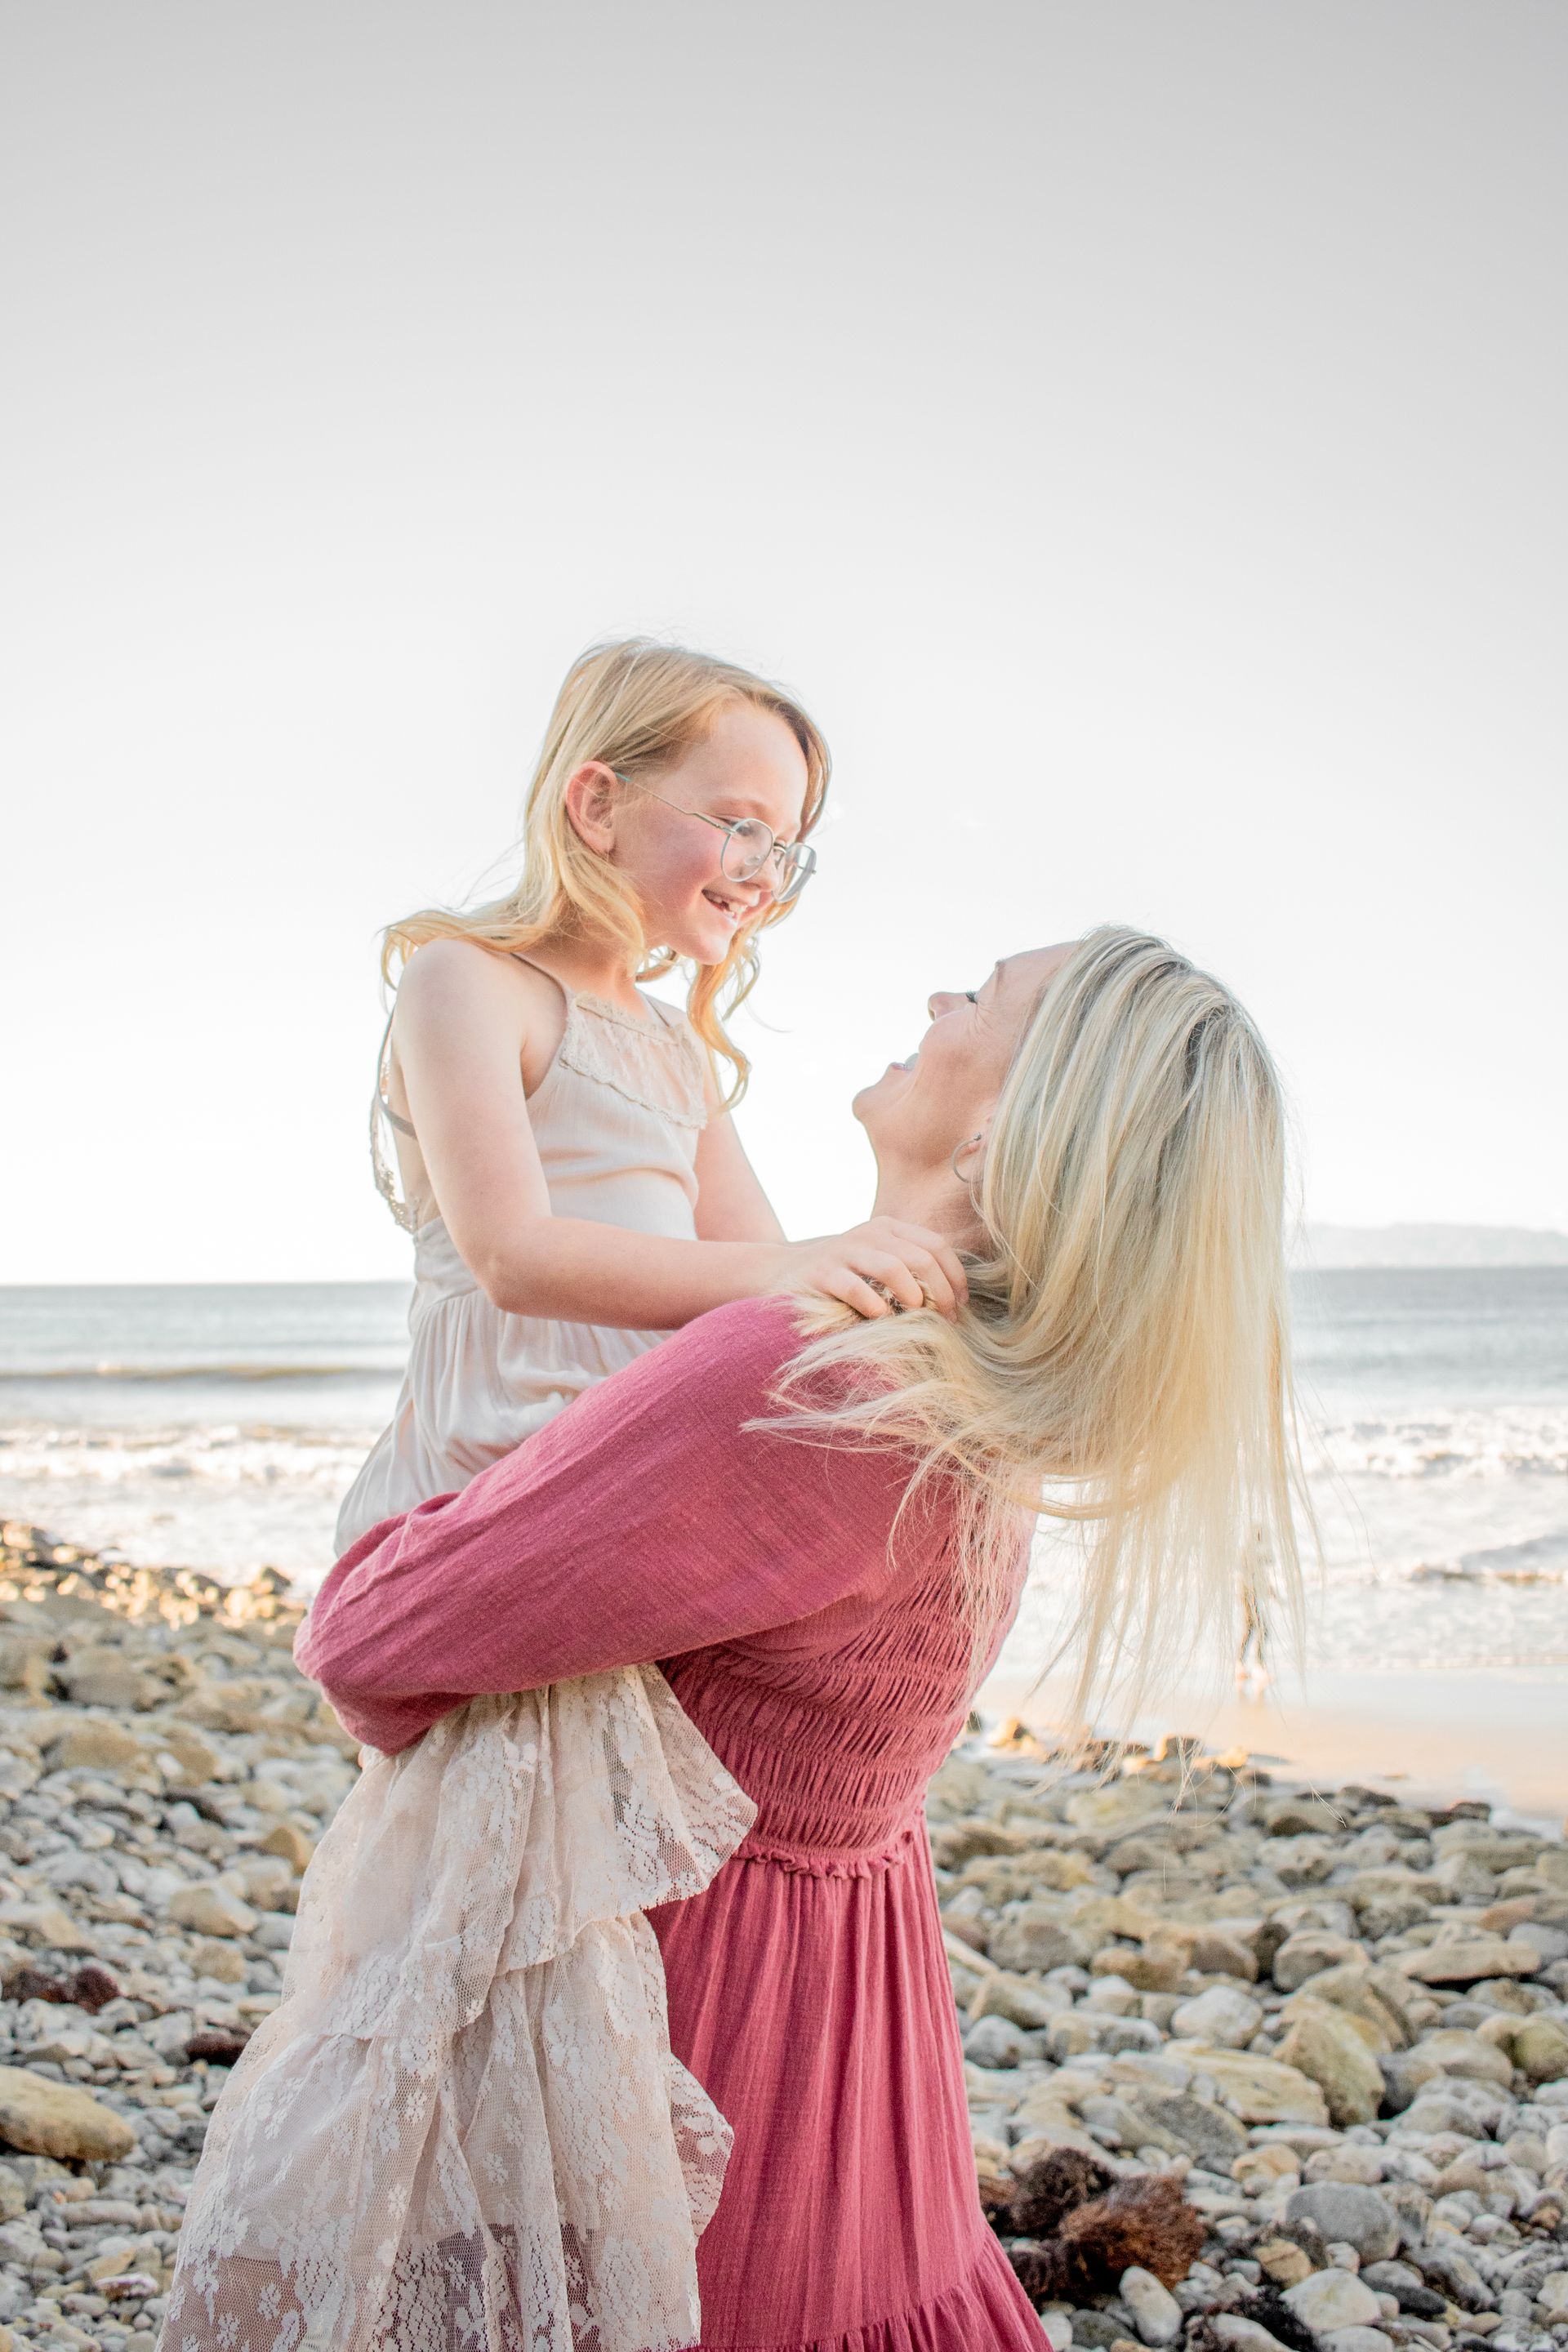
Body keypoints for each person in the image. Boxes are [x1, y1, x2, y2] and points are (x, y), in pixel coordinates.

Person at [291, 926, 1307, 2352]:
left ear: (1010, 1122)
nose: (940, 991)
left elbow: (369, 1638)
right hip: (844, 2043)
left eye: (986, 994)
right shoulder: (971, 1406)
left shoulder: (809, 1372)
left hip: (692, 2049)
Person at [161, 639, 968, 2352]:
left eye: (791, 846)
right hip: (487, 1507)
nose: (760, 871)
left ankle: (572, 2250)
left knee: (571, 1949)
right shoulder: (473, 984)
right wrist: (821, 1259)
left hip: (610, 1524)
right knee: (442, 1940)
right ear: (596, 799)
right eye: (734, 820)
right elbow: (520, 1254)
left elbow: (760, 1282)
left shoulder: (675, 1052)